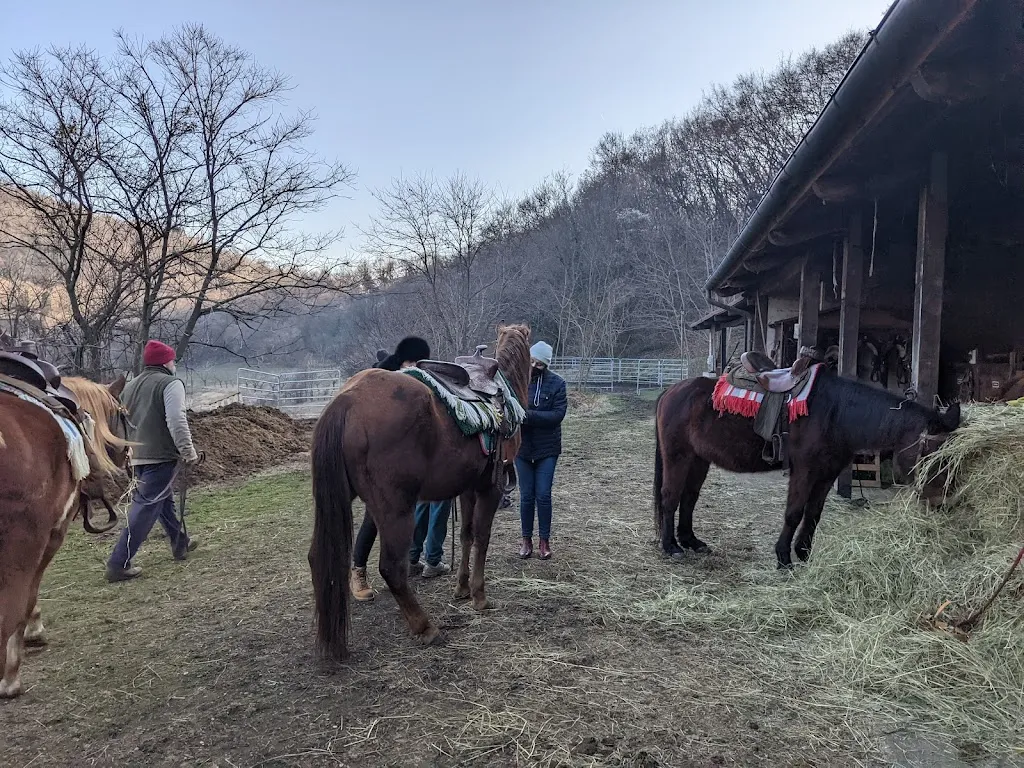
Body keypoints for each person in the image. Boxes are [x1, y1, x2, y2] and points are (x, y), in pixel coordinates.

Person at [350, 337, 452, 601]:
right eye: (410, 363)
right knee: (373, 518)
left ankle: (405, 564)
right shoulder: (384, 387)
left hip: (407, 463)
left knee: (400, 520)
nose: (414, 368)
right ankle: (357, 571)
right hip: (381, 464)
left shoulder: (419, 384)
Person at [106, 340, 199, 582]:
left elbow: (120, 422)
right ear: (166, 362)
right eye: (173, 360)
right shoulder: (171, 383)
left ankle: (180, 543)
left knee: (161, 502)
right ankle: (119, 563)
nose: (174, 364)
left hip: (136, 457)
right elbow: (177, 420)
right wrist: (188, 451)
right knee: (145, 508)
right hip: (161, 455)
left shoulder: (131, 386)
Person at [516, 341, 567, 560]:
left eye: (539, 363)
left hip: (547, 448)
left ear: (546, 364)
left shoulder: (557, 383)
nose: (534, 365)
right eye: (532, 361)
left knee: (543, 495)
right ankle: (526, 539)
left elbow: (557, 415)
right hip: (522, 448)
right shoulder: (518, 382)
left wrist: (528, 416)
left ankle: (544, 540)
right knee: (527, 496)